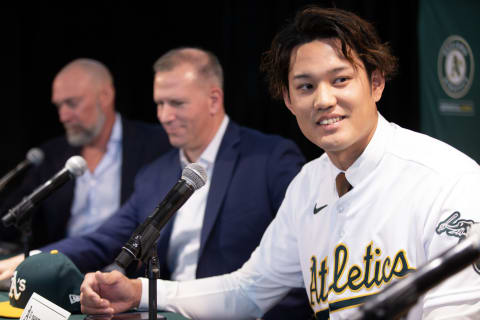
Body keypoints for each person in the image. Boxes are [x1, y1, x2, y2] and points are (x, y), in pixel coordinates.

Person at [78, 6, 480, 320]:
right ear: (288, 100)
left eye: (340, 80)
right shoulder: (308, 183)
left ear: (376, 83)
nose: (323, 100)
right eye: (305, 86)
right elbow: (249, 291)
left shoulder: (448, 181)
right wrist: (143, 292)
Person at [0, 49, 311, 319]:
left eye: (176, 103)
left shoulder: (270, 159)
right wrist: (32, 260)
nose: (164, 116)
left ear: (214, 99)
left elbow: (304, 260)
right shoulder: (154, 174)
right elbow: (101, 239)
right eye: (159, 104)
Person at [0, 58, 171, 247]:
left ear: (105, 96)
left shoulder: (156, 144)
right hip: (64, 263)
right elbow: (12, 220)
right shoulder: (51, 154)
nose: (63, 116)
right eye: (59, 106)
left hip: (126, 267)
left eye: (72, 104)